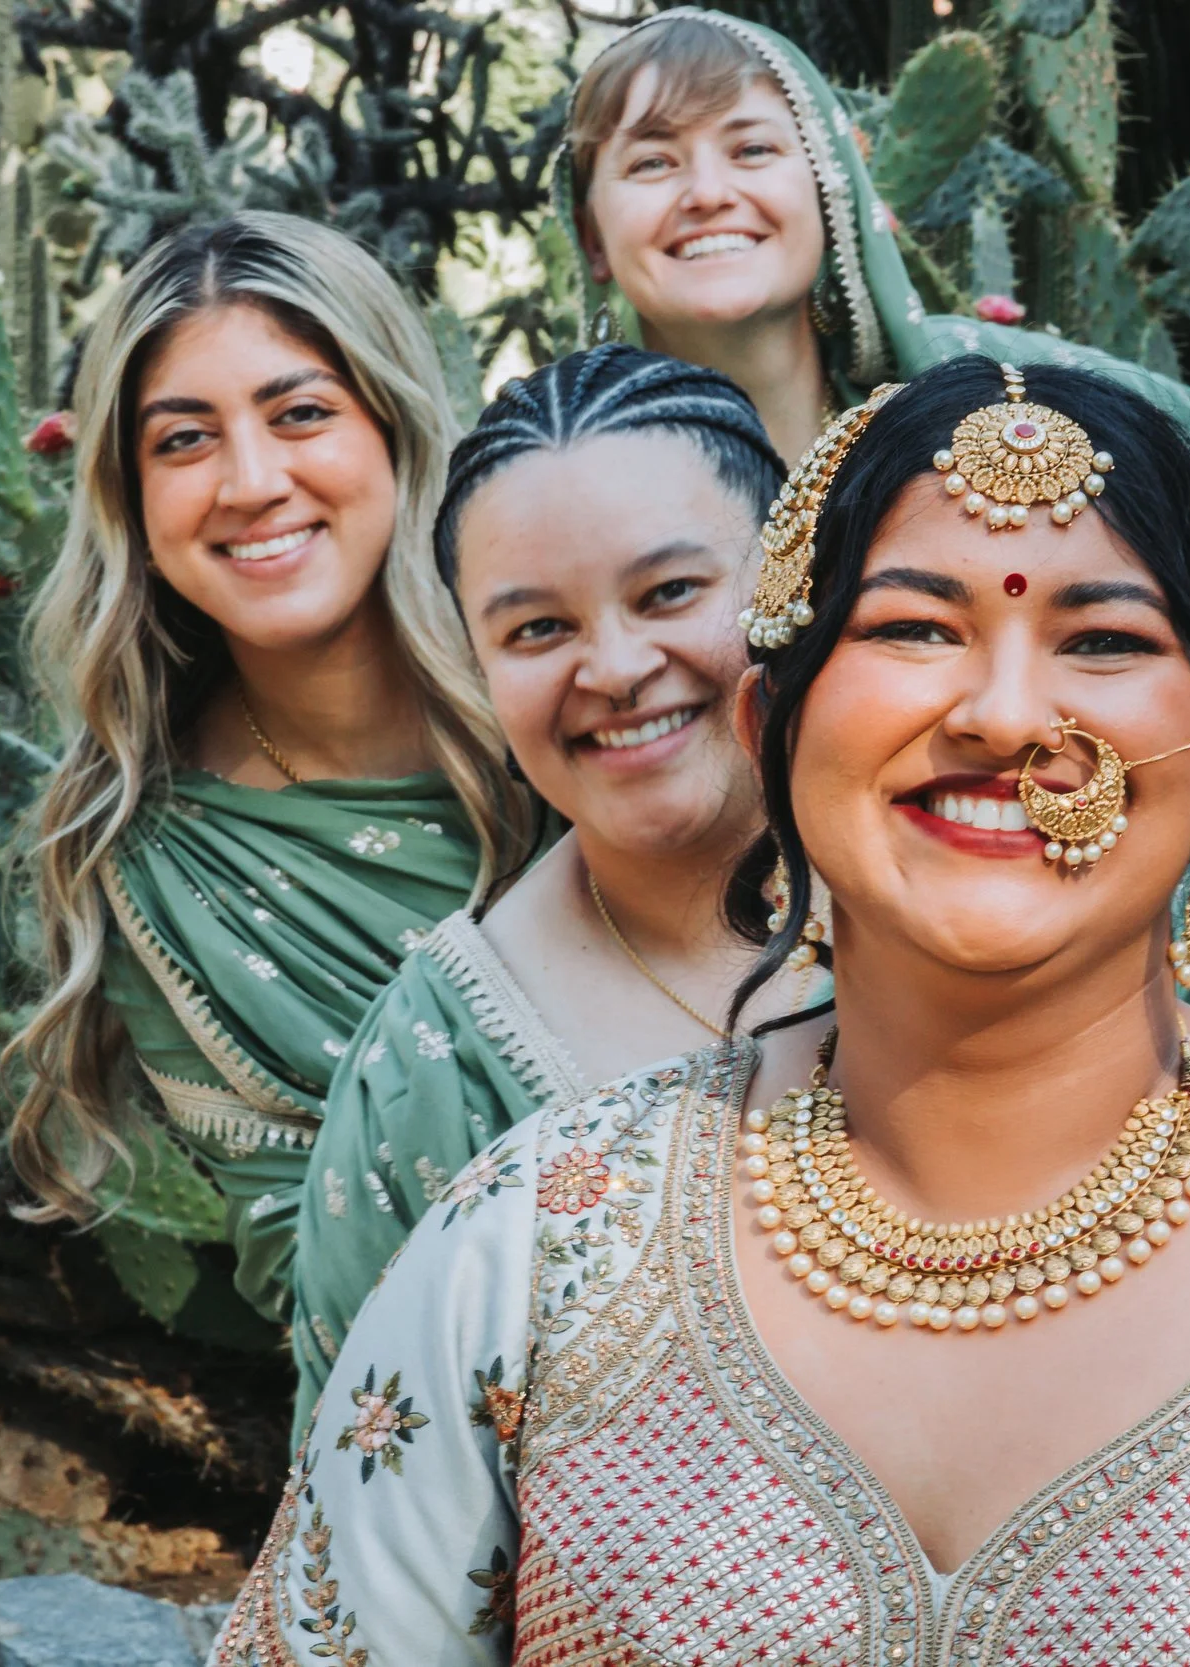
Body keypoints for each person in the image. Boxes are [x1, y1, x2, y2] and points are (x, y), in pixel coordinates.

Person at [211, 359, 1190, 1666]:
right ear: (774, 723)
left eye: (1104, 639)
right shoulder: (539, 1244)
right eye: (914, 627)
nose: (1007, 717)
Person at [8, 213, 535, 1322]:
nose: (250, 482)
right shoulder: (150, 862)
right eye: (183, 440)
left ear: (391, 426)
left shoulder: (563, 702)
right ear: (131, 500)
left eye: (300, 414)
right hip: (446, 1406)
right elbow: (303, 1257)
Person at [289, 344, 819, 1419]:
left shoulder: (973, 880)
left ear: (789, 582)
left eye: (670, 591)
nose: (615, 669)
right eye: (538, 628)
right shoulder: (436, 1067)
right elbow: (361, 1509)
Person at [566, 8, 1190, 464]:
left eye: (752, 149)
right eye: (652, 162)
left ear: (833, 196)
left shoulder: (1004, 402)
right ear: (592, 237)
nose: (707, 192)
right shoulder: (558, 479)